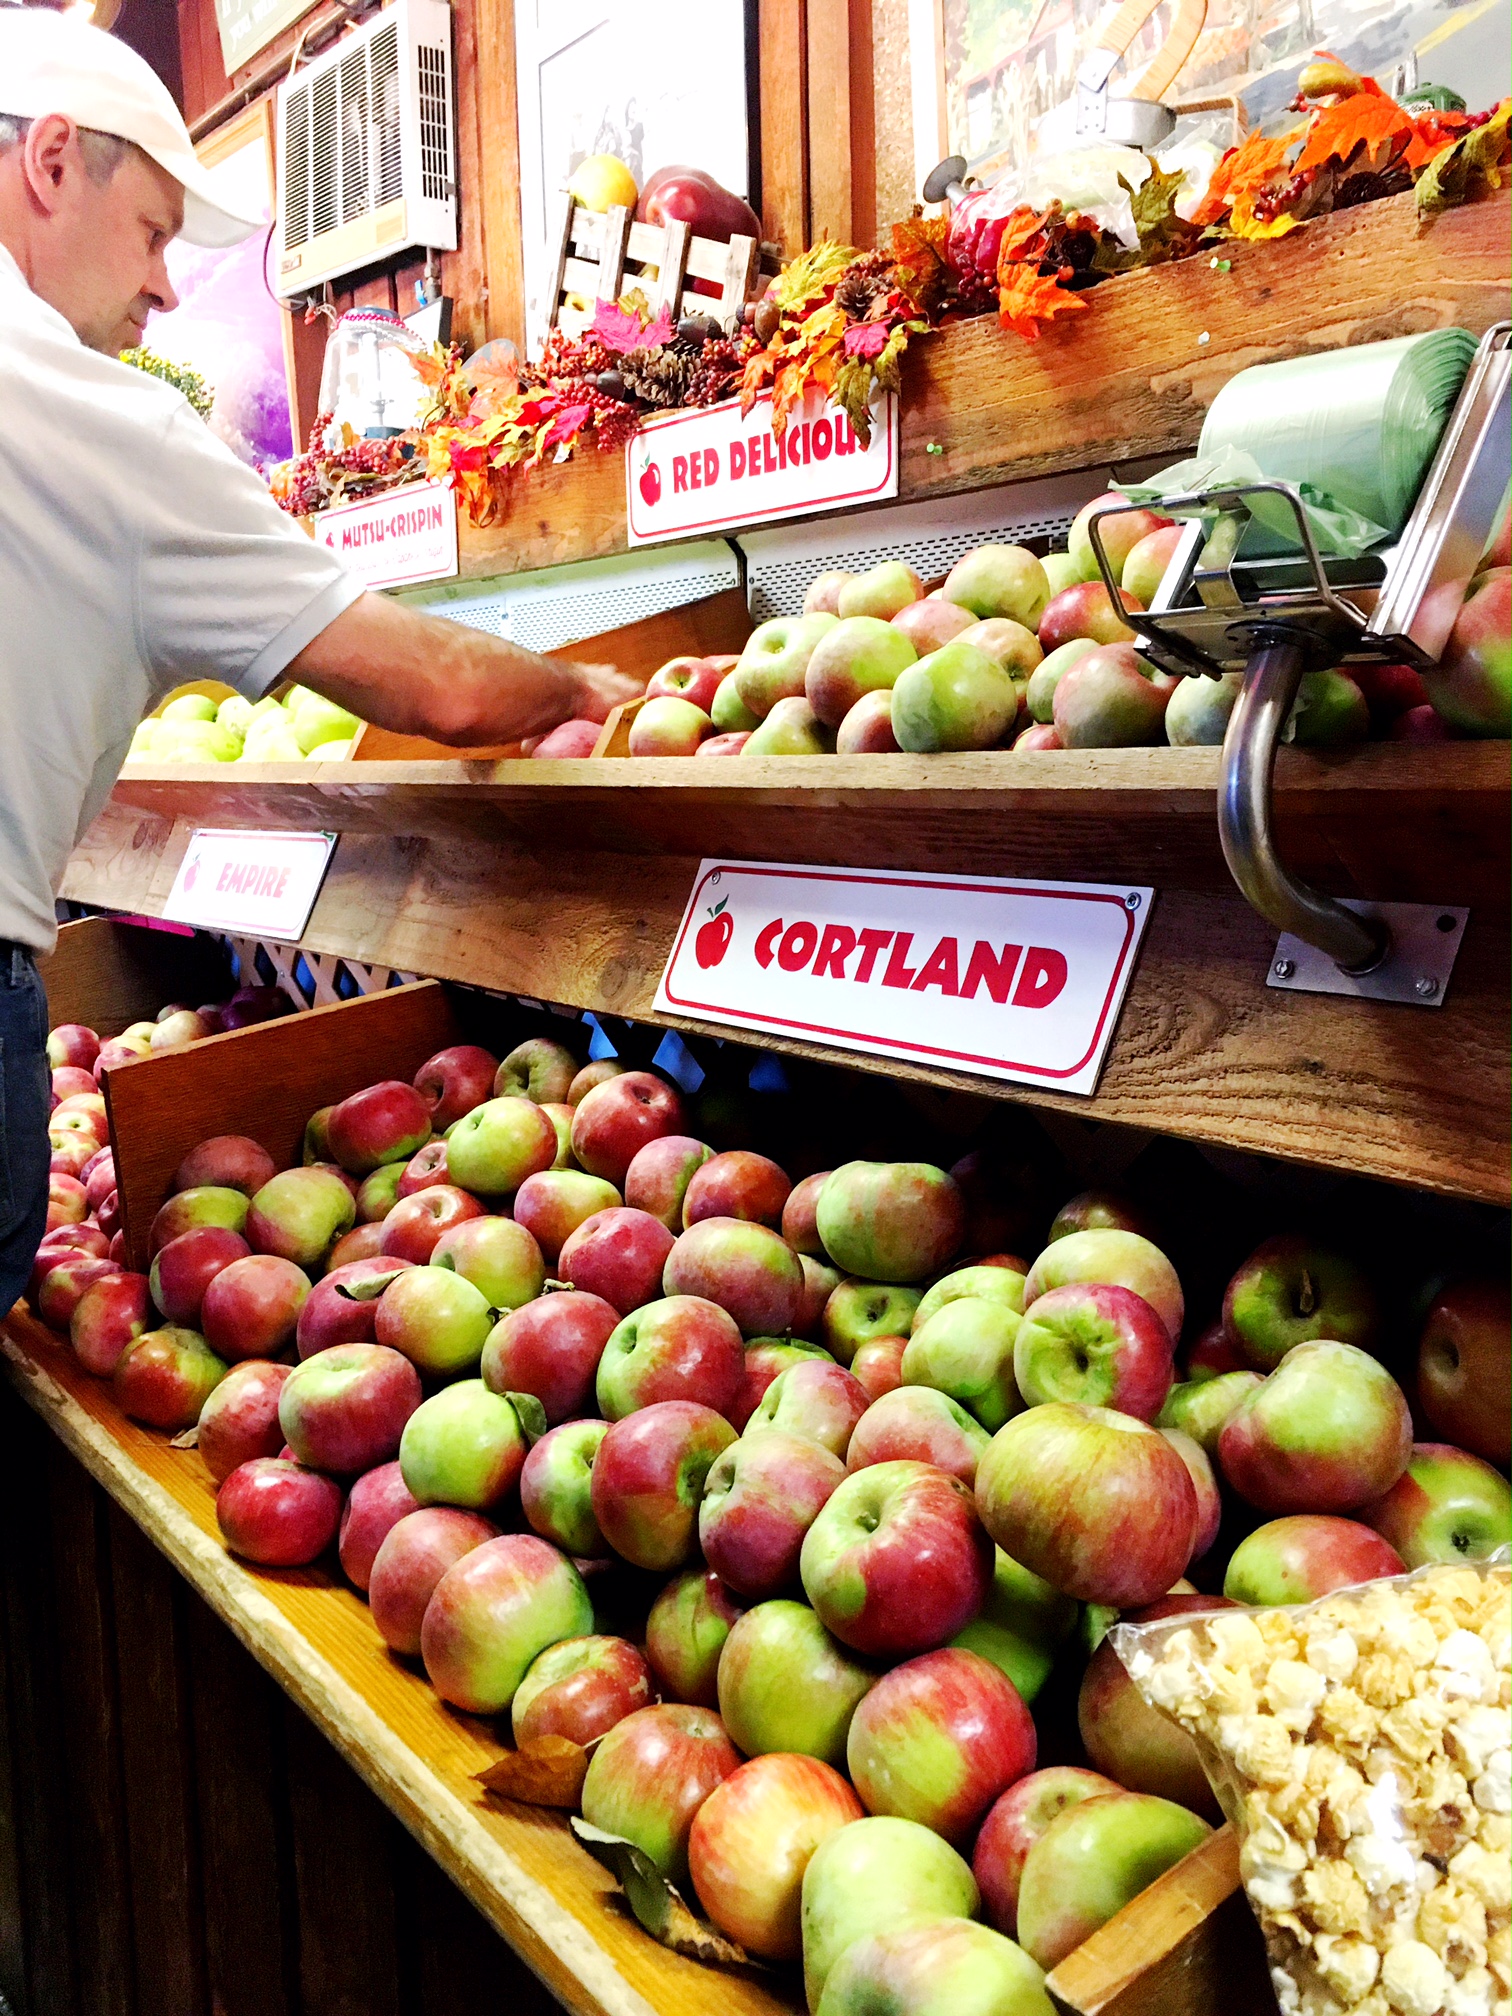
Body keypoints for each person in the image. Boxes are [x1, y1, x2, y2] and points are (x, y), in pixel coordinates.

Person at [0, 8, 642, 1314]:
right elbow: (436, 690)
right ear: (51, 162)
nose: (167, 288)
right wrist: (579, 693)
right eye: (155, 232)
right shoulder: (82, 412)